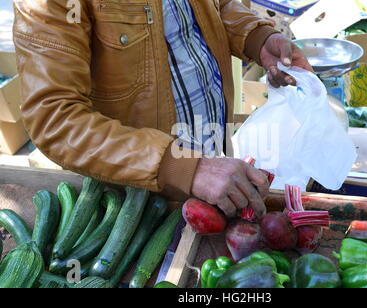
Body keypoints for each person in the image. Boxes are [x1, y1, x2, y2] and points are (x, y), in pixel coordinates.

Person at [13, 0, 312, 218]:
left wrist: (256, 37)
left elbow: (216, 6)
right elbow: (55, 118)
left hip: (216, 165)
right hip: (141, 205)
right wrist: (183, 167)